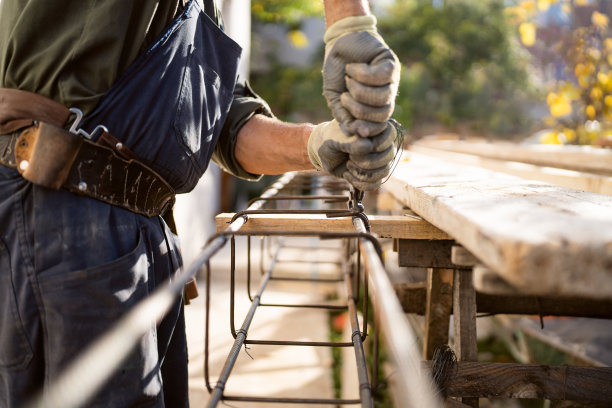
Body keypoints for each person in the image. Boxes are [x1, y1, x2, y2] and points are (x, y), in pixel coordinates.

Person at [0, 0, 400, 406]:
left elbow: (225, 128)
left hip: (136, 233)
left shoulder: (195, 15)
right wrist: (350, 21)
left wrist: (320, 145)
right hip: (61, 208)